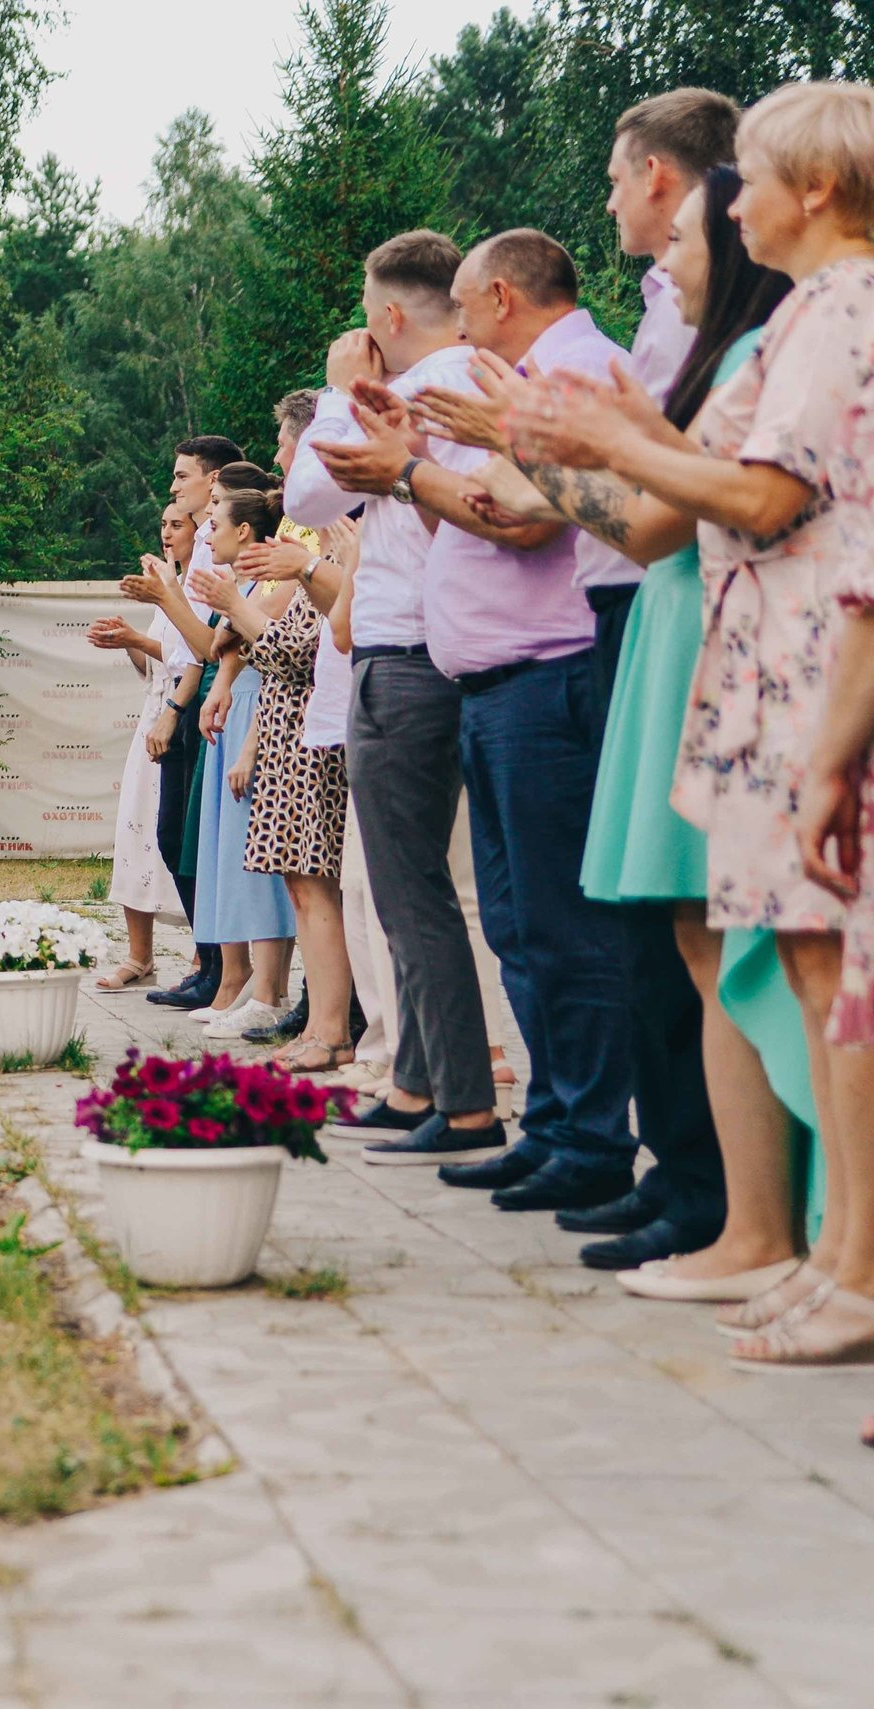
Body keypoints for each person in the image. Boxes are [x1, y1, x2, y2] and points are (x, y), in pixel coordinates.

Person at [525, 82, 874, 1369]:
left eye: (752, 178)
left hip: (810, 672)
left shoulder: (840, 314)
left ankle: (851, 1260)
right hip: (766, 674)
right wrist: (593, 432)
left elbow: (758, 494)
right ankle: (834, 1255)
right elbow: (679, 474)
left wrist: (595, 434)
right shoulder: (802, 323)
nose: (731, 201)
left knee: (829, 971)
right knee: (796, 961)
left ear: (813, 191)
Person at [456, 167, 802, 1286]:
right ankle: (703, 1186)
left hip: (703, 632)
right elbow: (656, 506)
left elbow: (677, 509)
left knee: (694, 938)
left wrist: (551, 441)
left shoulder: (766, 354)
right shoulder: (723, 355)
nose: (660, 260)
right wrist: (558, 442)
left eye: (686, 239)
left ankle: (734, 1207)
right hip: (668, 624)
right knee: (673, 938)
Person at [322, 229, 637, 1212]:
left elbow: (532, 514)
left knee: (559, 929)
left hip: (545, 675)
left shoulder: (570, 371)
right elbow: (479, 511)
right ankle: (555, 1125)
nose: (453, 331)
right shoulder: (527, 373)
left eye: (461, 310)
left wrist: (409, 470)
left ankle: (588, 1137)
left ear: (499, 297)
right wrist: (412, 466)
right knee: (518, 925)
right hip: (498, 681)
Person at [294, 231, 513, 1166]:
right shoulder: (472, 373)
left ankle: (460, 1103)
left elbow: (305, 497)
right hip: (439, 652)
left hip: (406, 656)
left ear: (385, 318)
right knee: (415, 884)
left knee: (407, 887)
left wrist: (343, 388)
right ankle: (417, 1080)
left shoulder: (421, 386)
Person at [201, 511, 357, 1074]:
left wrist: (234, 605)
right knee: (302, 890)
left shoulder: (333, 560)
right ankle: (322, 1025)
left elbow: (300, 653)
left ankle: (333, 1028)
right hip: (288, 736)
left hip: (311, 743)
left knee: (318, 891)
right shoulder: (311, 571)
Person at [184, 480, 297, 1040]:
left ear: (245, 531)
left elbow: (246, 644)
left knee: (262, 858)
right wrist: (221, 681)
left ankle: (268, 990)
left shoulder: (271, 583)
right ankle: (248, 984)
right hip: (245, 703)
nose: (209, 533)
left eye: (217, 522)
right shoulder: (249, 584)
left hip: (265, 707)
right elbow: (223, 647)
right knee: (233, 854)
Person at [143, 437, 246, 1012]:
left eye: (182, 477)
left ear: (213, 480)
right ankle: (209, 961)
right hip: (191, 691)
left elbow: (208, 643)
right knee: (177, 838)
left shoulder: (219, 542)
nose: (175, 487)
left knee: (192, 840)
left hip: (201, 694)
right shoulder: (203, 544)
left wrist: (178, 707)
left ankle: (220, 966)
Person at [88, 503, 193, 988]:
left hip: (185, 718)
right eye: (164, 525)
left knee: (182, 837)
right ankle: (140, 955)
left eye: (177, 526)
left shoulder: (199, 586)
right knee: (136, 830)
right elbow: (155, 664)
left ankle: (203, 955)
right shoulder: (167, 588)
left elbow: (195, 654)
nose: (167, 534)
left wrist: (138, 637)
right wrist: (125, 640)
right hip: (150, 718)